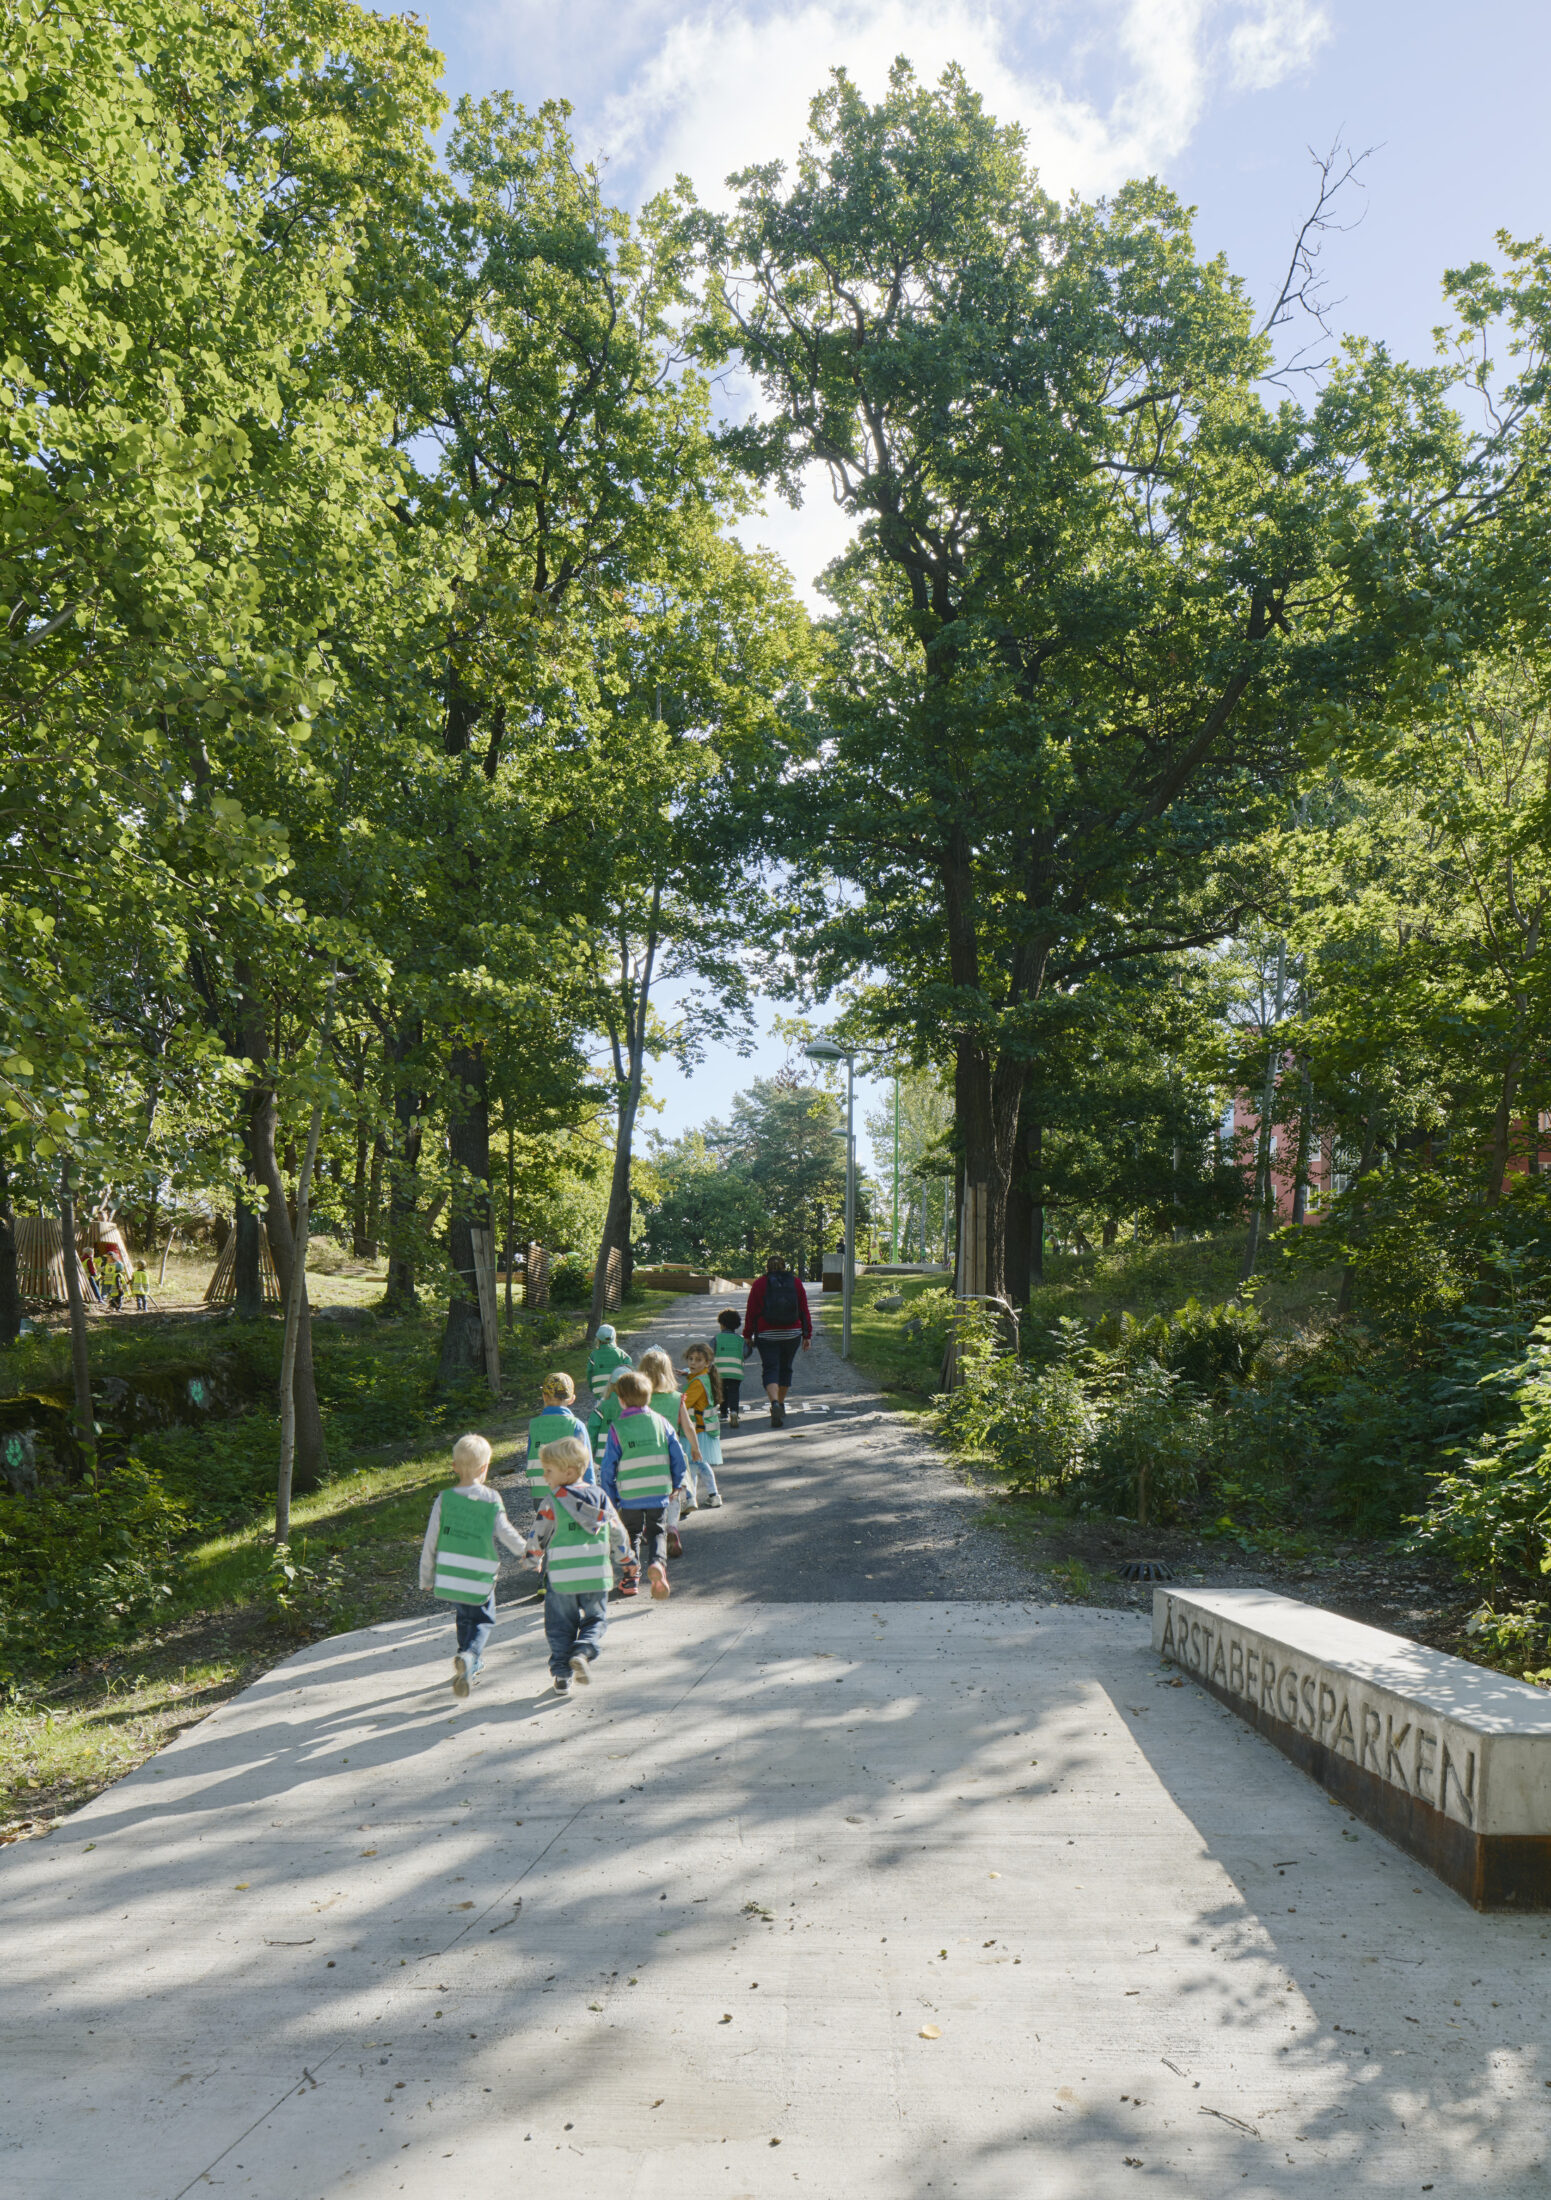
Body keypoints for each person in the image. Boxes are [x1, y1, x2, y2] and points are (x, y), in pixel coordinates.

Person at [417, 1433, 529, 1698]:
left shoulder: (444, 1499)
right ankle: (470, 1657)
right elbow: (506, 1533)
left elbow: (431, 1539)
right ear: (485, 1468)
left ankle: (463, 1655)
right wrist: (527, 1553)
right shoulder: (490, 1498)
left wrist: (426, 1576)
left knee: (465, 1615)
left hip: (449, 1573)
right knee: (483, 1619)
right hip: (478, 1573)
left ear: (454, 1466)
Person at [527, 1435, 630, 1693]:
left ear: (568, 1472)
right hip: (596, 1575)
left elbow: (539, 1533)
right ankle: (583, 1651)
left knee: (560, 1626)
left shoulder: (551, 1501)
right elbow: (617, 1531)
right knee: (595, 1619)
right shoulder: (600, 1497)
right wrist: (627, 1559)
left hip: (562, 1578)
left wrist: (533, 1557)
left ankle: (562, 1675)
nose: (544, 1475)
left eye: (549, 1470)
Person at [598, 1369, 687, 1600]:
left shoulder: (617, 1428)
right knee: (657, 1530)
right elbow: (678, 1456)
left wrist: (610, 1497)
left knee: (631, 1534)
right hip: (659, 1491)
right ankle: (657, 1564)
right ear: (649, 1397)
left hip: (630, 1495)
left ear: (621, 1400)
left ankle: (630, 1578)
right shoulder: (662, 1423)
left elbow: (608, 1466)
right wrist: (677, 1483)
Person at [638, 1345, 700, 1557]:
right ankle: (672, 1527)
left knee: (647, 1492)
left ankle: (649, 1527)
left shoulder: (639, 1400)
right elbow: (688, 1427)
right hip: (671, 1455)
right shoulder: (676, 1398)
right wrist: (695, 1448)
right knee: (673, 1494)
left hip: (643, 1454)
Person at [742, 1254, 812, 1428]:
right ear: (784, 1266)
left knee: (770, 1368)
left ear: (767, 1268)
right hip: (792, 1333)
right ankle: (781, 1404)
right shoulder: (795, 1282)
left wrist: (747, 1334)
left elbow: (751, 1311)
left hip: (766, 1334)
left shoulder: (759, 1284)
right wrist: (806, 1334)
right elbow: (804, 1309)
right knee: (786, 1368)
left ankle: (773, 1403)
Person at [523, 1373, 592, 1506]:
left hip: (540, 1491)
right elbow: (586, 1463)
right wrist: (590, 1491)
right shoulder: (576, 1425)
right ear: (572, 1399)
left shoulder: (534, 1425)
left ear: (544, 1396)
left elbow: (529, 1457)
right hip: (569, 1492)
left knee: (545, 1525)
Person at [681, 1343, 724, 1508]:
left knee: (691, 1465)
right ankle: (714, 1495)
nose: (692, 1363)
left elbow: (685, 1402)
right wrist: (687, 1374)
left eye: (698, 1360)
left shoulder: (697, 1383)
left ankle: (690, 1499)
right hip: (704, 1430)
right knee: (701, 1463)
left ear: (707, 1363)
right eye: (690, 1359)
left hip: (695, 1430)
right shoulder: (704, 1377)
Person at [713, 1308, 747, 1429]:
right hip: (736, 1371)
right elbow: (746, 1352)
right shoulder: (740, 1340)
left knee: (722, 1391)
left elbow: (709, 1351)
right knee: (734, 1391)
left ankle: (723, 1413)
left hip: (720, 1371)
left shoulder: (717, 1338)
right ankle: (734, 1411)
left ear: (721, 1324)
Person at [587, 1322, 632, 1400]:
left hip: (599, 1392)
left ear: (598, 1339)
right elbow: (630, 1370)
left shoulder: (593, 1355)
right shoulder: (621, 1354)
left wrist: (592, 1387)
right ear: (614, 1338)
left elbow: (589, 1372)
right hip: (618, 1391)